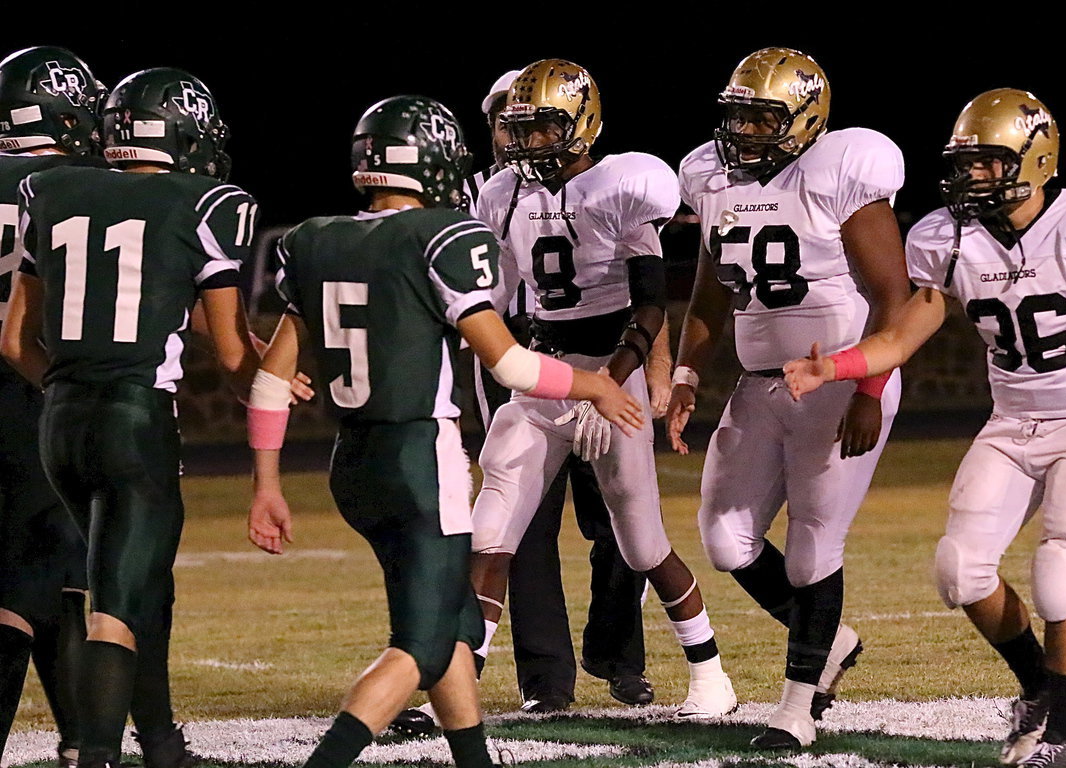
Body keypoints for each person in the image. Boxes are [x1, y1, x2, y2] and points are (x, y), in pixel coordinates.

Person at [783, 88, 1066, 768]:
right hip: (1013, 419)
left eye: (988, 164)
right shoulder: (948, 238)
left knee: (1059, 573)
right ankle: (1035, 686)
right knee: (960, 571)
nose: (971, 178)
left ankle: (1063, 736)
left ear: (1035, 158)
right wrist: (840, 369)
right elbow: (907, 330)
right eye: (965, 164)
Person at [243, 94, 642, 768]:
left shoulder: (314, 239)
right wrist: (595, 382)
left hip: (353, 463)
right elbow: (510, 363)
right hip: (419, 464)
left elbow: (270, 380)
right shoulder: (440, 236)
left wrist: (266, 484)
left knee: (453, 625)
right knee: (423, 646)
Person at [1, 67, 263, 768]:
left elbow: (16, 341)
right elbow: (233, 351)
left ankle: (161, 744)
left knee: (120, 579)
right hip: (135, 420)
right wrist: (274, 384)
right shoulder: (207, 201)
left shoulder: (49, 189)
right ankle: (97, 755)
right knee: (115, 600)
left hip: (59, 420)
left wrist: (65, 386)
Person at [470, 59, 737, 719]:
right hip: (541, 376)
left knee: (641, 542)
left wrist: (608, 383)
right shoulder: (504, 195)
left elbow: (650, 307)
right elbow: (501, 300)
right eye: (520, 130)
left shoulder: (624, 184)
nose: (527, 143)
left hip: (610, 378)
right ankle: (454, 684)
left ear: (582, 124)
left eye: (543, 128)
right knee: (489, 537)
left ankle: (710, 675)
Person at [666, 46, 910, 749]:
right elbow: (713, 289)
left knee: (811, 552)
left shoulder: (841, 171)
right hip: (757, 387)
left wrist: (869, 386)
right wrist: (687, 376)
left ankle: (797, 709)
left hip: (835, 385)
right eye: (737, 114)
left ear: (805, 119)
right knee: (725, 540)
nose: (743, 131)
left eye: (762, 117)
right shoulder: (713, 178)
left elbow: (895, 298)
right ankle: (831, 642)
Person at [0, 45, 103, 768]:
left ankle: (80, 741)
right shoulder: (72, 185)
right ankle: (85, 741)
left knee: (33, 573)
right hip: (36, 387)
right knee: (55, 576)